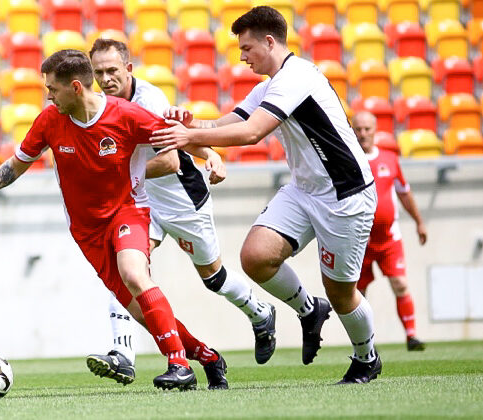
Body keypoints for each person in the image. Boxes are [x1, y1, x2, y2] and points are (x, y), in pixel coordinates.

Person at [0, 49, 227, 391]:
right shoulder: (50, 121)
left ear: (75, 88)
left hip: (128, 211)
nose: (47, 94)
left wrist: (212, 154)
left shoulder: (126, 115)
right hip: (87, 232)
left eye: (52, 88)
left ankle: (178, 365)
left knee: (134, 273)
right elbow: (18, 163)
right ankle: (208, 357)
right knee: (143, 314)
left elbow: (175, 135)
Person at [150, 6, 382, 384]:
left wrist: (191, 138)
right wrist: (187, 123)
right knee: (256, 257)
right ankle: (309, 311)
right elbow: (228, 124)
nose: (241, 57)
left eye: (246, 48)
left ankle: (366, 358)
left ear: (269, 41)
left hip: (345, 195)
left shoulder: (297, 77)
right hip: (305, 190)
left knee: (342, 294)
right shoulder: (270, 85)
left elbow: (252, 133)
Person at [85, 38, 276, 389]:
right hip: (140, 204)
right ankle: (123, 355)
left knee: (213, 278)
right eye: (98, 73)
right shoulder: (100, 104)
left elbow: (172, 157)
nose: (106, 78)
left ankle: (260, 313)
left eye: (112, 70)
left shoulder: (150, 99)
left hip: (183, 199)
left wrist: (208, 154)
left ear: (128, 68)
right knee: (126, 273)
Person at [352, 111, 427, 351]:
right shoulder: (349, 159)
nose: (363, 134)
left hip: (388, 239)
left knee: (400, 283)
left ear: (375, 130)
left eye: (367, 129)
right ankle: (364, 344)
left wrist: (418, 221)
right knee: (357, 293)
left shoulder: (390, 159)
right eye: (358, 129)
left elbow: (404, 192)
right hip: (359, 239)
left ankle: (412, 335)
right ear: (352, 131)